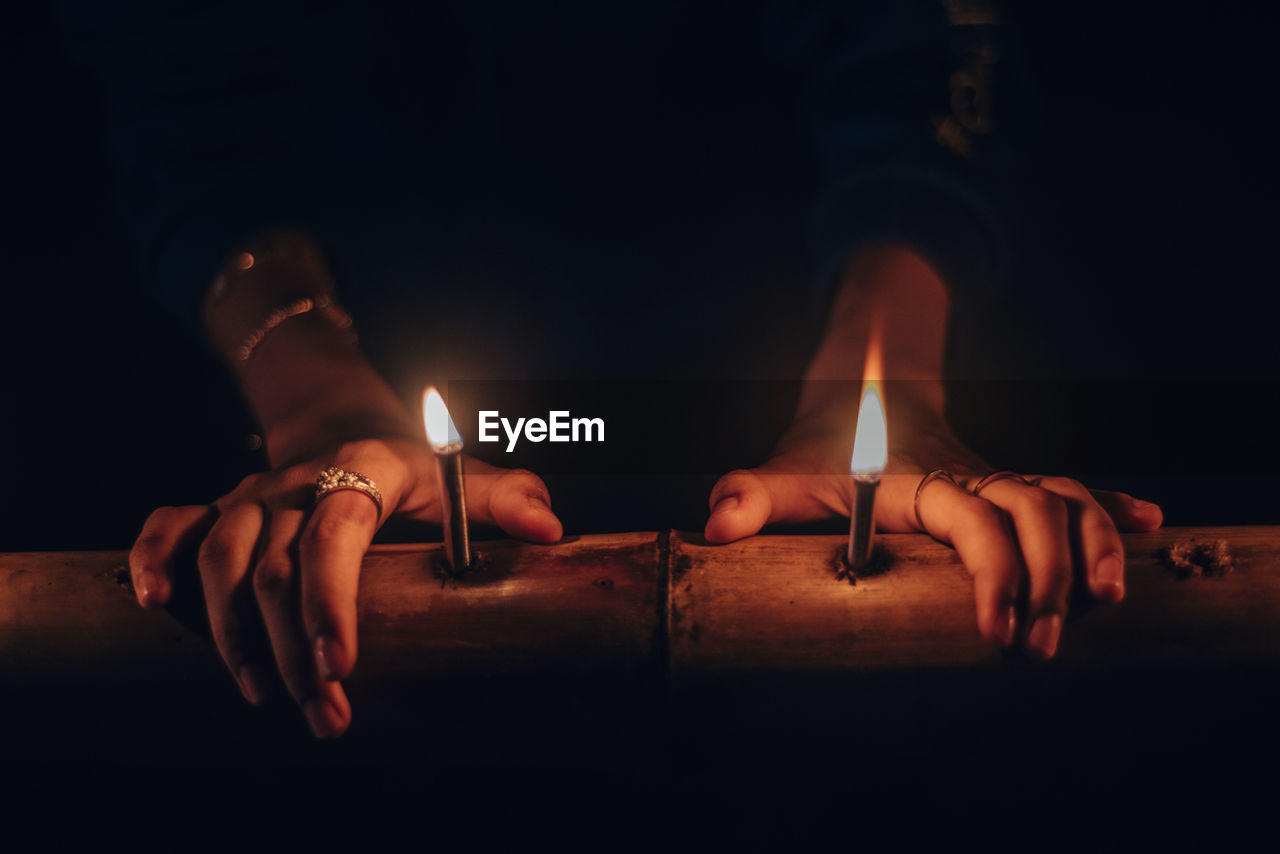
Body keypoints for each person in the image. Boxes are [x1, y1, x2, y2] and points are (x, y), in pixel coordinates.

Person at [63, 0, 1162, 739]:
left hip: (764, 322)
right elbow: (188, 101)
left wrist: (881, 386)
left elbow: (916, 48)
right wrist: (319, 407)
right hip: (397, 299)